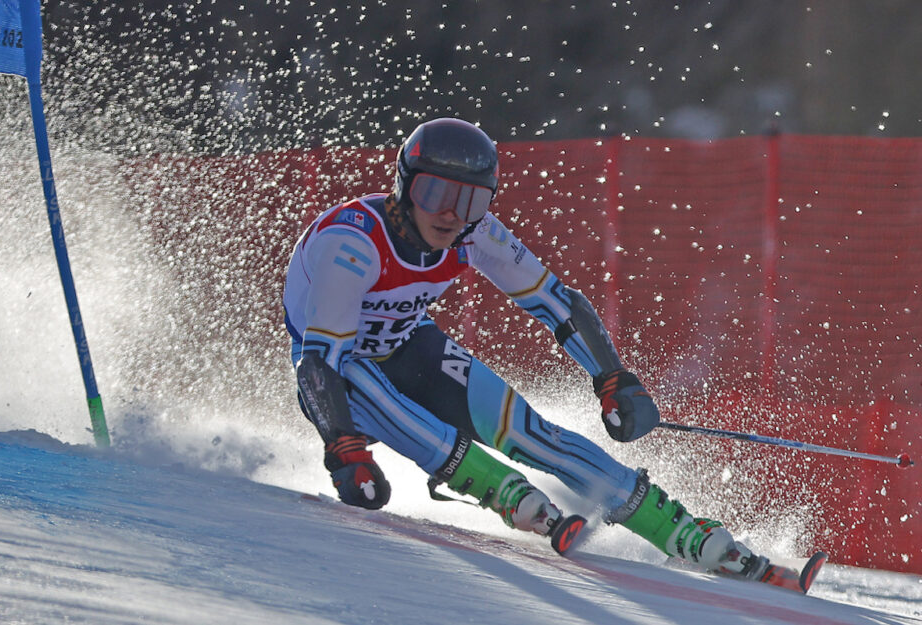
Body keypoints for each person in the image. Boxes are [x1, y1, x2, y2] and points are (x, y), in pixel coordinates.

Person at [283, 118, 769, 577]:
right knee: (422, 426)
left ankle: (681, 531)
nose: (452, 215)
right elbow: (319, 362)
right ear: (404, 187)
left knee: (531, 433)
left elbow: (556, 302)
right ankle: (501, 490)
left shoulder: (475, 233)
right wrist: (344, 449)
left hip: (409, 344)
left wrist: (611, 377)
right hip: (335, 369)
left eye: (471, 201)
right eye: (435, 194)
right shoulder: (352, 244)